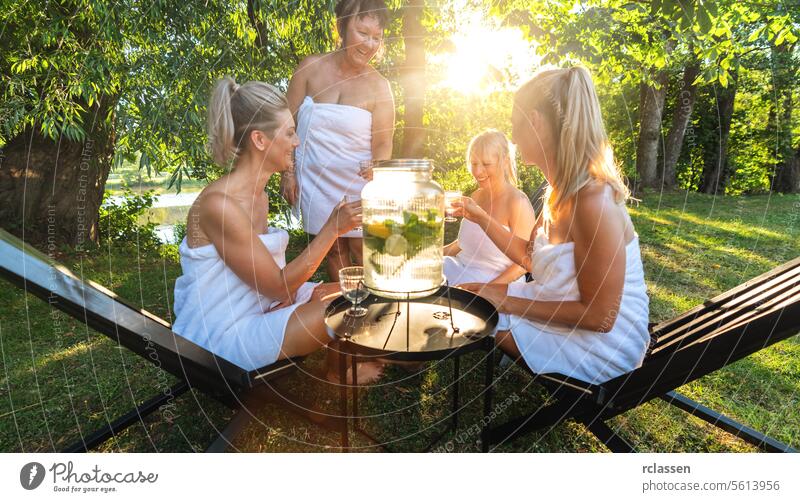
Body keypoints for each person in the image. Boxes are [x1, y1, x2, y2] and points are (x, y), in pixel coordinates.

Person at [172, 77, 382, 382]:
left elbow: (265, 277)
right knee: (350, 305)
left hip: (260, 309)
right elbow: (278, 285)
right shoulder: (221, 205)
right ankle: (340, 375)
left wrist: (282, 298)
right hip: (220, 336)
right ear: (260, 140)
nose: (296, 143)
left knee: (365, 292)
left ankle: (343, 366)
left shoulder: (260, 197)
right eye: (290, 133)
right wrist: (331, 230)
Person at [454, 66, 650, 385]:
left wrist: (502, 298)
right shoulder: (557, 190)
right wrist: (480, 216)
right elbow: (530, 258)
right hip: (558, 309)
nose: (514, 139)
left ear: (536, 122)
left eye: (516, 125)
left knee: (474, 312)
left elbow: (600, 317)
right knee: (466, 299)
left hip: (601, 347)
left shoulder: (593, 201)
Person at [281, 0, 395, 282]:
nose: (369, 44)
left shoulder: (380, 86)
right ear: (342, 27)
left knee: (366, 250)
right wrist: (288, 172)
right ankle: (347, 312)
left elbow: (383, 144)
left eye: (377, 37)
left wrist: (377, 168)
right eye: (362, 32)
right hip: (315, 182)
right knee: (332, 250)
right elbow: (285, 125)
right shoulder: (309, 68)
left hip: (359, 183)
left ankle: (381, 308)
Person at [443, 130, 536, 285]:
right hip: (458, 271)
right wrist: (428, 255)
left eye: (486, 164)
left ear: (505, 161)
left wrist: (487, 290)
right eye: (474, 164)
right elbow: (461, 243)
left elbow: (524, 264)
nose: (478, 171)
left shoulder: (517, 202)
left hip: (496, 285)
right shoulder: (476, 196)